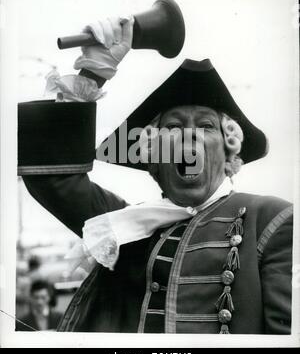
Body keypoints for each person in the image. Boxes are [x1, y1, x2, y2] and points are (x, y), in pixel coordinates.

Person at [20, 17, 293, 334]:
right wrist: (92, 74)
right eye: (174, 127)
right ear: (153, 158)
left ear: (229, 152)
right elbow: (50, 176)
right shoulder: (126, 227)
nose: (189, 135)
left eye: (205, 126)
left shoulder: (273, 220)